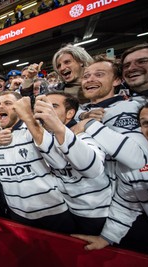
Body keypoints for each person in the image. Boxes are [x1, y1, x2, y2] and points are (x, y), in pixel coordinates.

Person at [0, 91, 75, 234]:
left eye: (8, 103)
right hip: (17, 215)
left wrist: (28, 116)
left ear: (19, 108)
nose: (0, 107)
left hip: (52, 213)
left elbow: (59, 162)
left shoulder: (33, 130)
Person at [72, 100, 148, 254]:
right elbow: (127, 204)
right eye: (146, 123)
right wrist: (107, 237)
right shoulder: (133, 167)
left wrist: (88, 124)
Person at [34, 92, 111, 235]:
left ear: (70, 113)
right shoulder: (46, 136)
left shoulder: (85, 133)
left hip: (99, 214)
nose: (47, 111)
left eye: (53, 106)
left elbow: (93, 169)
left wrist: (58, 127)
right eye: (44, 106)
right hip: (69, 210)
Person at [75, 55, 148, 189]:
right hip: (87, 197)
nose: (90, 79)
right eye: (86, 76)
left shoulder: (128, 107)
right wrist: (83, 116)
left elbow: (137, 158)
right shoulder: (79, 111)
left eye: (99, 74)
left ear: (116, 80)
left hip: (122, 196)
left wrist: (89, 125)